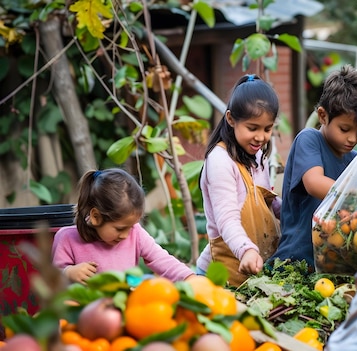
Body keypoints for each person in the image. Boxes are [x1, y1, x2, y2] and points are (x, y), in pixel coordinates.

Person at [270, 65, 357, 268]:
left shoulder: (354, 160)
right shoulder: (309, 140)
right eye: (344, 129)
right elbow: (314, 183)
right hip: (296, 261)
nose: (352, 138)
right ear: (322, 116)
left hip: (332, 264)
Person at [196, 74, 282, 287]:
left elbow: (265, 200)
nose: (260, 137)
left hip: (254, 271)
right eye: (252, 128)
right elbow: (227, 219)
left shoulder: (258, 156)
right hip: (219, 276)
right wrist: (247, 249)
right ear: (231, 119)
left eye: (267, 129)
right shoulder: (219, 161)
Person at [52, 168, 195, 284]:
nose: (126, 235)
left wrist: (189, 277)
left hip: (125, 309)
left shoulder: (136, 233)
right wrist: (68, 272)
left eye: (131, 227)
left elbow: (161, 259)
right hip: (85, 314)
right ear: (96, 217)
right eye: (120, 229)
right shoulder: (67, 239)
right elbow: (51, 281)